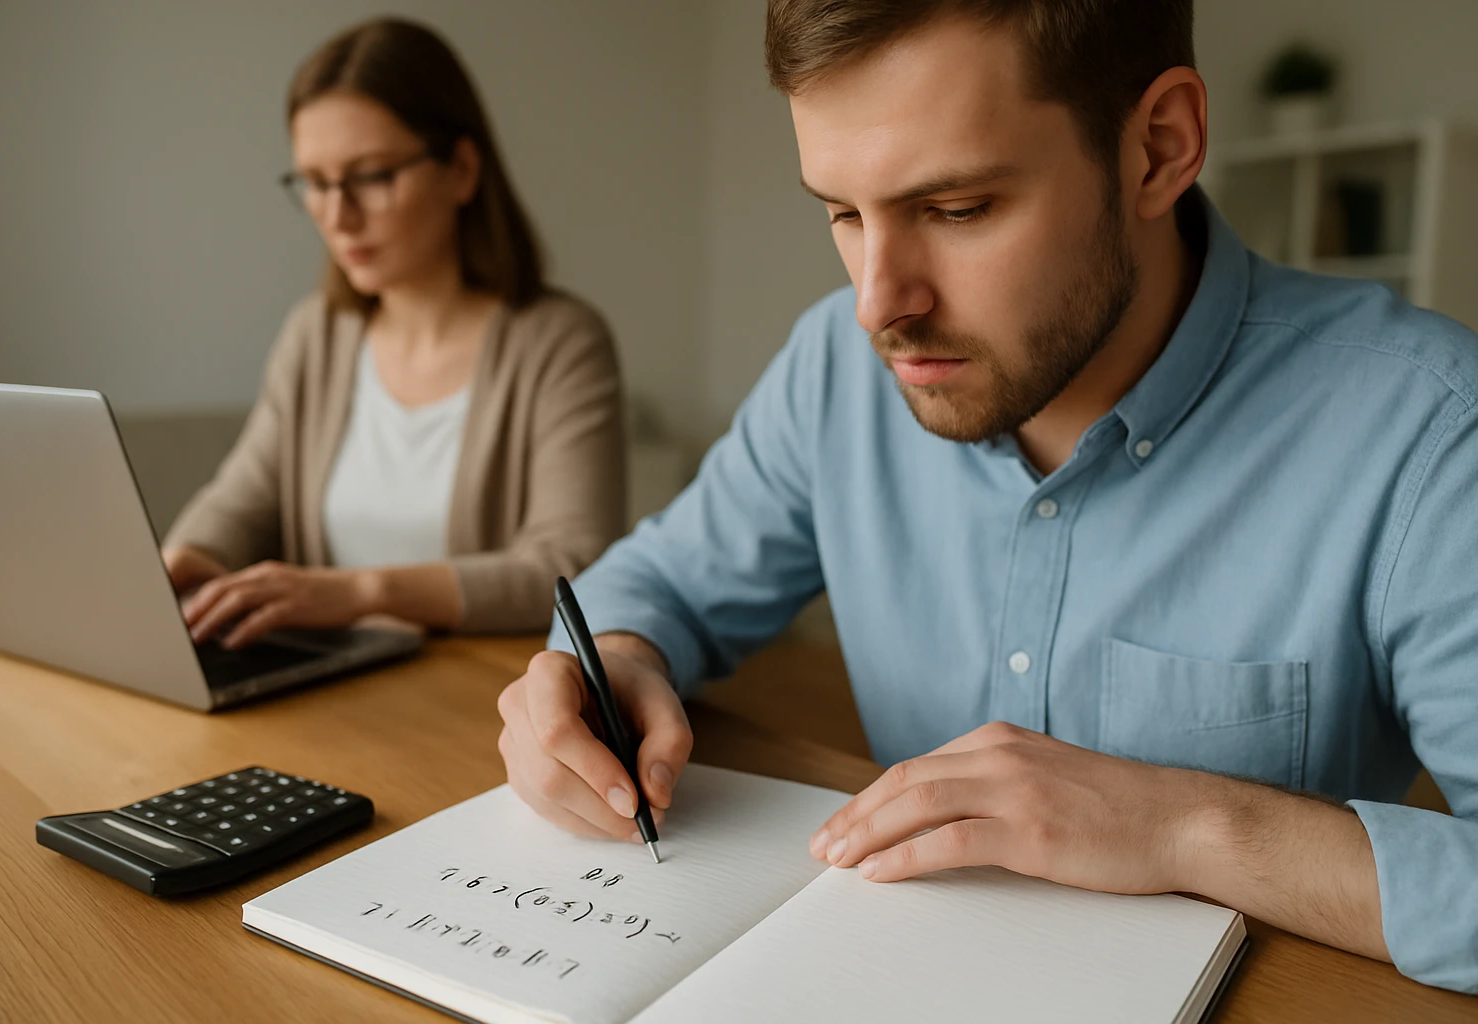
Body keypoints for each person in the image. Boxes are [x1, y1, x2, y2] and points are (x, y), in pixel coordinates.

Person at [495, 0, 1478, 995]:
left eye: (956, 209)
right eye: (841, 212)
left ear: (1159, 148)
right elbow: (661, 578)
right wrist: (611, 660)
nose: (879, 302)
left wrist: (1184, 824)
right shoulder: (834, 370)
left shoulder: (1431, 432)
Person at [162, 18, 626, 645]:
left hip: (486, 706)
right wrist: (183, 559)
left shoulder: (560, 343)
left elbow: (570, 565)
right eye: (315, 183)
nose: (337, 216)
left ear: (461, 169)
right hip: (337, 691)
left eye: (373, 176)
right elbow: (243, 497)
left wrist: (359, 592)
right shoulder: (316, 335)